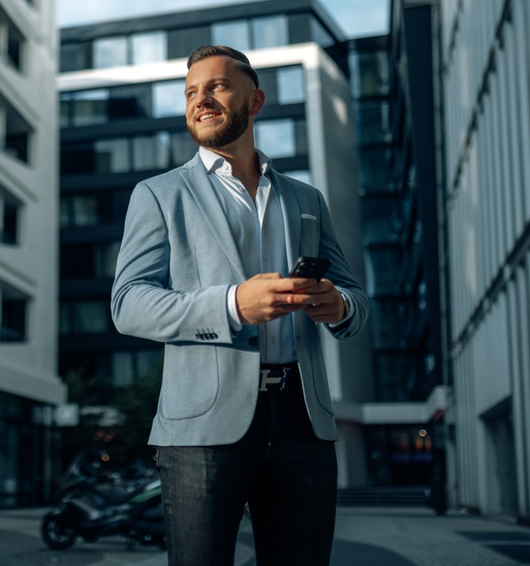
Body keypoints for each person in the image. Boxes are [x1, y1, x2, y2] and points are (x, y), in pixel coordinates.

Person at [110, 45, 368, 566]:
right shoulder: (158, 194)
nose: (200, 100)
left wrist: (335, 305)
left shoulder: (306, 199)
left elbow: (356, 299)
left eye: (217, 86)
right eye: (190, 92)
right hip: (202, 427)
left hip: (303, 418)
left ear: (256, 100)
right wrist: (233, 304)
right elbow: (128, 304)